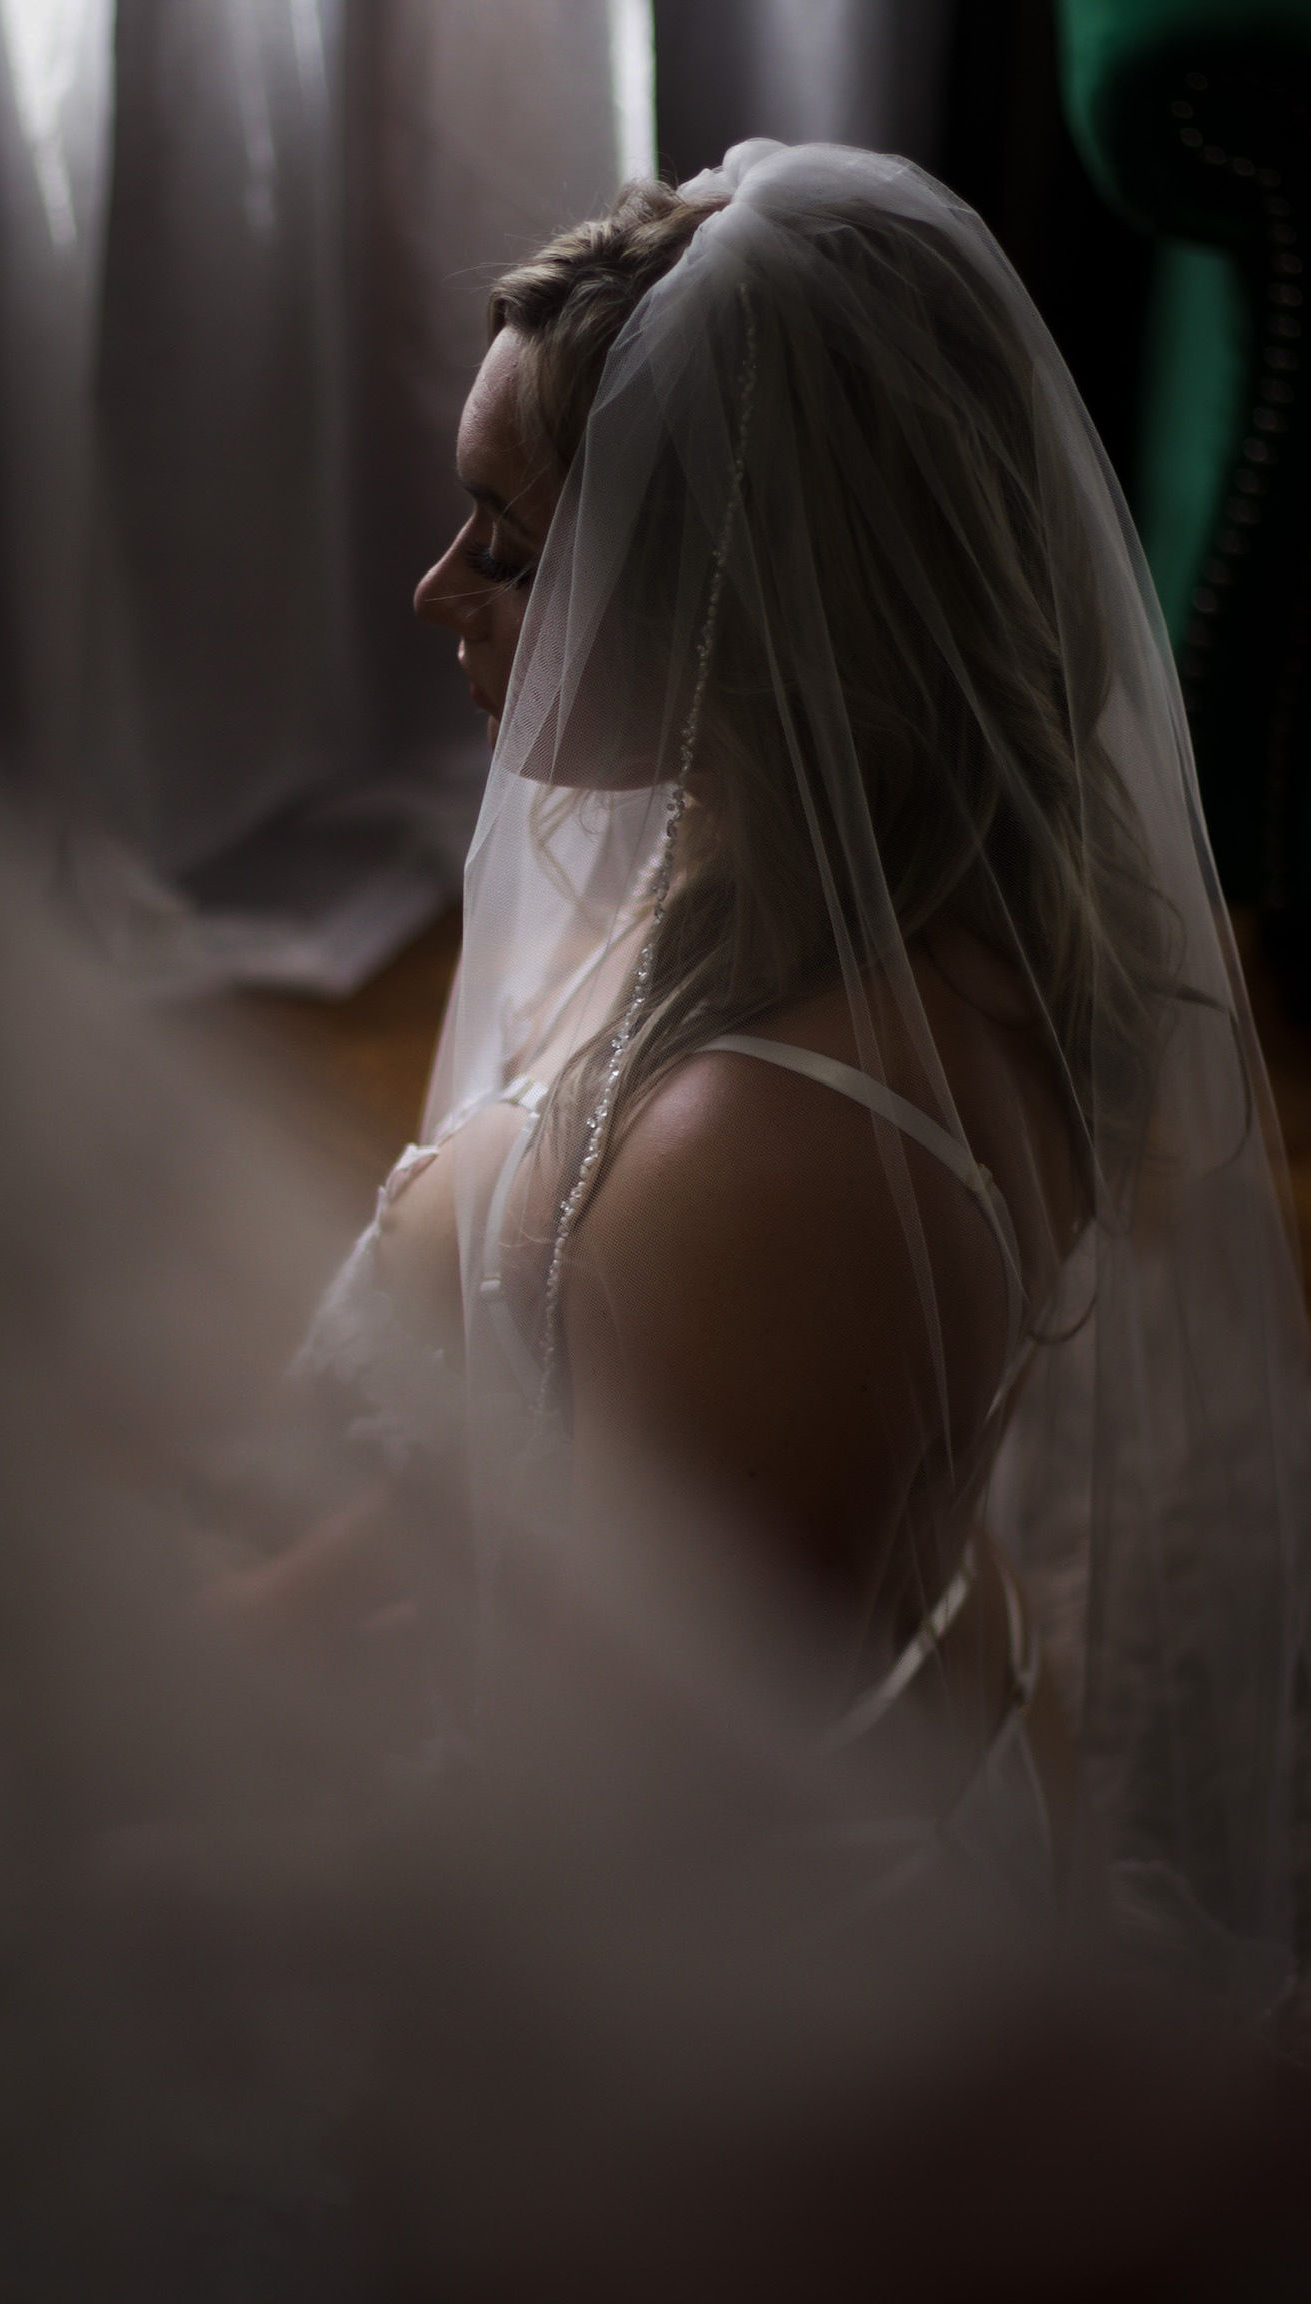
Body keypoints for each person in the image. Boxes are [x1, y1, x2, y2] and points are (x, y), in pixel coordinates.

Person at [299, 140, 1311, 1986]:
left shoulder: (767, 1158)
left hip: (721, 1960)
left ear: (743, 597)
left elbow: (636, 1817)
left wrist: (178, 1865)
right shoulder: (799, 869)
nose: (441, 591)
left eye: (510, 547)